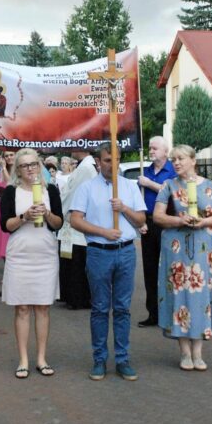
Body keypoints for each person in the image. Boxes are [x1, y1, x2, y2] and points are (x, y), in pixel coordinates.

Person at [70, 143, 146, 382]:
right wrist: (103, 232)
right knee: (100, 308)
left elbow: (141, 219)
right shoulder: (86, 188)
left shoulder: (129, 187)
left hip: (125, 252)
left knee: (122, 308)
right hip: (99, 252)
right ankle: (100, 358)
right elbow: (75, 220)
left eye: (116, 159)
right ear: (98, 162)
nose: (111, 164)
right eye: (106, 160)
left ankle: (123, 359)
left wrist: (123, 208)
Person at [153, 144, 212, 371]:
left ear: (193, 161)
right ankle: (185, 352)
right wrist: (179, 220)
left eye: (181, 159)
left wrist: (204, 222)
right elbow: (157, 216)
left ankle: (198, 352)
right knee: (179, 296)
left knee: (201, 297)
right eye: (173, 159)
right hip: (177, 251)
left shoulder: (210, 186)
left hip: (204, 250)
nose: (176, 163)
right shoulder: (168, 186)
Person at [0, 148, 63, 379]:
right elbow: (5, 225)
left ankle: (41, 358)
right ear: (18, 169)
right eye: (25, 165)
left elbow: (58, 223)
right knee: (23, 307)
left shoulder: (51, 190)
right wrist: (25, 216)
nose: (30, 169)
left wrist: (46, 214)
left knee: (43, 307)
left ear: (40, 166)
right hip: (20, 255)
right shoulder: (11, 192)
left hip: (45, 254)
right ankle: (23, 359)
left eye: (34, 164)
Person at [136, 136, 177, 328]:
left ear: (165, 151)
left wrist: (149, 184)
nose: (151, 151)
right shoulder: (147, 171)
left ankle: (171, 313)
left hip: (168, 223)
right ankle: (153, 313)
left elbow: (174, 194)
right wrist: (140, 220)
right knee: (150, 270)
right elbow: (138, 198)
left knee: (169, 268)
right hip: (148, 223)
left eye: (154, 148)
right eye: (150, 148)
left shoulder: (173, 170)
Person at [57, 148, 97, 309]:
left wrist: (60, 210)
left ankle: (78, 297)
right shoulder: (83, 166)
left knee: (77, 262)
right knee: (69, 259)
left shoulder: (86, 168)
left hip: (75, 218)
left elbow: (74, 194)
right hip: (71, 220)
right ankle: (69, 294)